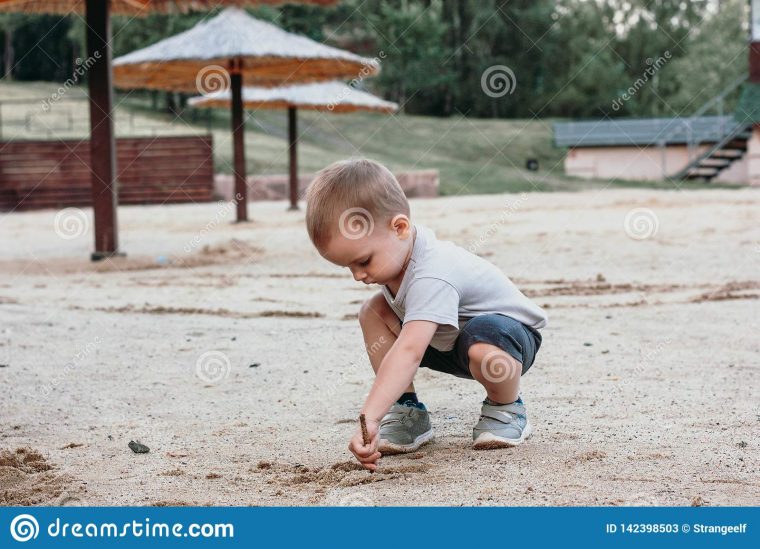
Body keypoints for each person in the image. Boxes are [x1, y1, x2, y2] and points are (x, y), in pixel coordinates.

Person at [304, 158, 547, 472]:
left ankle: (506, 408)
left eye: (363, 261)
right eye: (348, 266)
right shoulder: (398, 255)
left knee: (484, 339)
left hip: (508, 341)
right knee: (373, 311)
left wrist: (369, 418)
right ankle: (408, 413)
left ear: (400, 228)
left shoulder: (433, 272)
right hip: (448, 342)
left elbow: (409, 350)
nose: (357, 275)